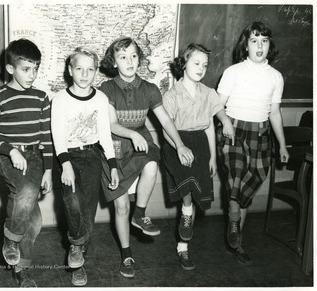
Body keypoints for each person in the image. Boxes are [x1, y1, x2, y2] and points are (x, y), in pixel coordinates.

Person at [99, 36, 194, 278]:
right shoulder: (107, 89)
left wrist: (180, 145)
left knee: (152, 163)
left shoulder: (150, 89)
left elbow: (165, 121)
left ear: (139, 58)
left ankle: (140, 214)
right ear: (114, 62)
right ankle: (126, 254)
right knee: (120, 206)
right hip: (114, 148)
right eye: (122, 57)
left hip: (140, 143)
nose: (129, 61)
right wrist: (131, 133)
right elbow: (110, 125)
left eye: (133, 55)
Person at [216, 22, 290, 265]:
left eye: (265, 41)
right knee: (236, 174)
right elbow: (218, 105)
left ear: (270, 46)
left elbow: (275, 113)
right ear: (245, 46)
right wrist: (225, 122)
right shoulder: (233, 72)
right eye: (254, 41)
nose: (260, 46)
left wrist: (281, 144)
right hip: (233, 131)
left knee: (252, 181)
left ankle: (236, 230)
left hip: (260, 135)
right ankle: (235, 221)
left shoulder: (275, 77)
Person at [0, 38, 53, 287]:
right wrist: (12, 151)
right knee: (26, 191)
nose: (32, 75)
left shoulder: (42, 97)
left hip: (35, 157)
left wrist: (48, 170)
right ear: (11, 68)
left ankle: (22, 271)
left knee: (33, 220)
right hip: (7, 157)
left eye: (36, 69)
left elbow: (46, 137)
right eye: (26, 69)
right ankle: (10, 239)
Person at [162, 43, 234, 271]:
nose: (201, 68)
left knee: (194, 194)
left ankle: (183, 247)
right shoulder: (172, 94)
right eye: (196, 63)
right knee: (186, 191)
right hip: (176, 144)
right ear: (184, 63)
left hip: (200, 144)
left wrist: (212, 157)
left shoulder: (208, 93)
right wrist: (180, 146)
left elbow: (211, 125)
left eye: (205, 65)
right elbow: (166, 128)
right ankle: (185, 215)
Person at [51, 46, 119, 286]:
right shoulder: (60, 99)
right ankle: (76, 245)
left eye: (90, 69)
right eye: (79, 68)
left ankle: (78, 259)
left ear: (96, 72)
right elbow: (57, 135)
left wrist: (112, 165)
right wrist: (65, 164)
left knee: (88, 210)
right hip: (66, 158)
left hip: (91, 158)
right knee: (72, 203)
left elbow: (105, 136)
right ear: (70, 71)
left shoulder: (101, 99)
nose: (84, 74)